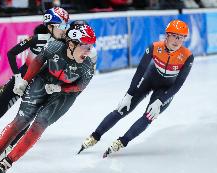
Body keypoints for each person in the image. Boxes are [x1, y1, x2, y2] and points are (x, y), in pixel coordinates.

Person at [0, 23, 97, 173]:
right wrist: (25, 81)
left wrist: (59, 89)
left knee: (39, 124)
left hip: (65, 94)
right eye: (85, 46)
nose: (89, 51)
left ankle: (8, 162)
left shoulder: (88, 65)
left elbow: (79, 87)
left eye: (91, 46)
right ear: (72, 43)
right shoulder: (54, 46)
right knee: (21, 119)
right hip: (43, 79)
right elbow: (38, 61)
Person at [0, 7, 70, 159]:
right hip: (21, 80)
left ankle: (10, 145)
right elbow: (11, 53)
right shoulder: (38, 38)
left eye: (66, 26)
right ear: (50, 26)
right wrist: (17, 77)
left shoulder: (65, 45)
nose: (64, 30)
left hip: (37, 85)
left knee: (26, 118)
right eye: (61, 26)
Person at [78, 19, 194, 158]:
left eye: (181, 37)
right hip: (150, 79)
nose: (177, 40)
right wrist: (129, 94)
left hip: (166, 89)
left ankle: (122, 141)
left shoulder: (187, 56)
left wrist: (161, 100)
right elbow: (140, 71)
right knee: (122, 108)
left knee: (149, 115)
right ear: (167, 35)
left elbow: (178, 84)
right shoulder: (154, 47)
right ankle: (95, 136)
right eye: (175, 36)